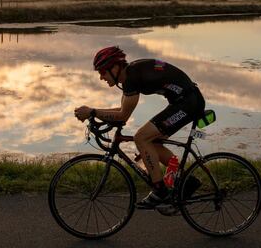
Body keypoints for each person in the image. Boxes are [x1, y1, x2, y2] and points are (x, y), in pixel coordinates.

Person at [74, 46, 204, 209]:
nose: (101, 77)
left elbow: (123, 116)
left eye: (102, 72)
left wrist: (92, 111)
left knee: (141, 137)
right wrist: (94, 113)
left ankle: (160, 190)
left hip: (188, 103)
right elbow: (122, 111)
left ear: (115, 67)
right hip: (184, 101)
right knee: (153, 143)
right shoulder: (130, 74)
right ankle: (186, 180)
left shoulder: (132, 77)